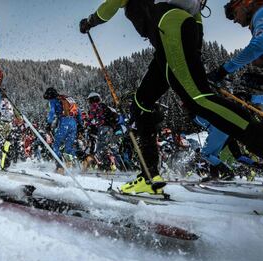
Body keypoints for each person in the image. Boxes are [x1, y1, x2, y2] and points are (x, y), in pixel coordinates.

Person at [80, 0, 263, 195]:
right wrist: (194, 52)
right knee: (141, 103)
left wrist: (90, 22)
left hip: (169, 31)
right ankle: (149, 176)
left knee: (199, 98)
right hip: (169, 39)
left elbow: (112, 4)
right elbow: (197, 18)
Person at [208, 0, 263, 85]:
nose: (235, 20)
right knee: (257, 59)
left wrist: (224, 70)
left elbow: (260, 43)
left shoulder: (260, 13)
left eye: (235, 13)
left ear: (246, 3)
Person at [43, 87, 83, 174]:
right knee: (68, 147)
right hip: (74, 123)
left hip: (64, 122)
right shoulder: (68, 99)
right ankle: (71, 168)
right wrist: (80, 125)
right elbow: (79, 111)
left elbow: (52, 112)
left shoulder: (53, 100)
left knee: (56, 145)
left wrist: (49, 124)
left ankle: (60, 167)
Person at [85, 92, 119, 171]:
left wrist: (89, 125)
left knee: (101, 148)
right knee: (107, 147)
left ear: (92, 99)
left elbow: (93, 118)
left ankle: (106, 167)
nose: (89, 103)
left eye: (89, 100)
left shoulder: (95, 106)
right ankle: (114, 166)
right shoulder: (104, 106)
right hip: (110, 129)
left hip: (103, 128)